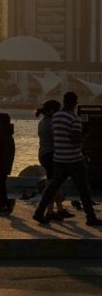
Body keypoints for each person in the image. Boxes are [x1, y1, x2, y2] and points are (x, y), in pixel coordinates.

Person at [33, 92, 101, 227]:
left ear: (64, 101)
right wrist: (85, 135)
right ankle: (91, 217)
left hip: (59, 158)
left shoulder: (56, 117)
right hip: (74, 159)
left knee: (52, 187)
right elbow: (75, 140)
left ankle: (39, 212)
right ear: (75, 103)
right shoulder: (75, 119)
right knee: (83, 190)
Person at [35, 99, 71, 221]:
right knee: (52, 185)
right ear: (52, 111)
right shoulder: (51, 124)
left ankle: (58, 209)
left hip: (44, 154)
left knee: (54, 184)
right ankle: (50, 211)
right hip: (50, 156)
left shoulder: (42, 122)